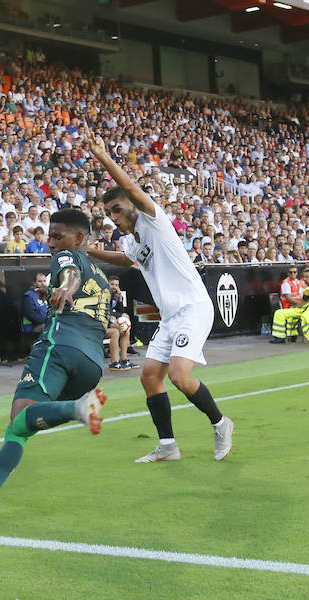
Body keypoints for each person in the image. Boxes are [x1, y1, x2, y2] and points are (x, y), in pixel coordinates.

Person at [85, 132, 233, 463]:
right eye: (109, 212)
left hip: (193, 307)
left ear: (130, 203)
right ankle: (168, 445)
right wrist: (89, 249)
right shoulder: (128, 241)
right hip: (170, 316)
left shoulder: (154, 218)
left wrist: (103, 157)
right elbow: (126, 260)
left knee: (180, 376)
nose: (114, 215)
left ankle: (221, 424)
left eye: (117, 208)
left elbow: (135, 192)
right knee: (150, 376)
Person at [0, 209, 109, 525]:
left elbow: (69, 275)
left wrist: (65, 288)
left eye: (58, 236)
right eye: (49, 236)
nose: (51, 244)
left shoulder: (66, 257)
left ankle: (78, 408)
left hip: (60, 347)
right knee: (22, 426)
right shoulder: (99, 275)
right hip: (93, 363)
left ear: (79, 238)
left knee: (18, 418)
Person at [105, 276, 136, 370]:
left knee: (125, 329)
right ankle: (114, 362)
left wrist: (120, 299)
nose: (114, 287)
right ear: (107, 284)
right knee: (115, 331)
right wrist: (112, 318)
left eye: (117, 285)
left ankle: (123, 360)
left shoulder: (116, 295)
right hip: (101, 325)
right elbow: (104, 312)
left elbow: (120, 311)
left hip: (110, 323)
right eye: (112, 284)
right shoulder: (104, 295)